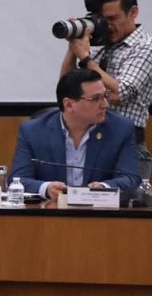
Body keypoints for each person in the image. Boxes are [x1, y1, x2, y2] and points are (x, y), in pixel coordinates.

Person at [59, 0, 152, 179]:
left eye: (113, 18)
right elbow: (66, 89)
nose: (107, 26)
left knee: (125, 199)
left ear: (133, 12)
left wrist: (86, 58)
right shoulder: (101, 48)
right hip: (90, 143)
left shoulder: (145, 47)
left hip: (126, 146)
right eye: (103, 19)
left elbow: (120, 93)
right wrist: (73, 48)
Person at [12, 67, 141, 200]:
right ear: (69, 105)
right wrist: (47, 188)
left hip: (99, 210)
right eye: (95, 99)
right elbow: (18, 180)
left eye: (105, 96)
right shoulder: (33, 131)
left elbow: (131, 178)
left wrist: (104, 188)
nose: (105, 104)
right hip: (51, 210)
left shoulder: (120, 128)